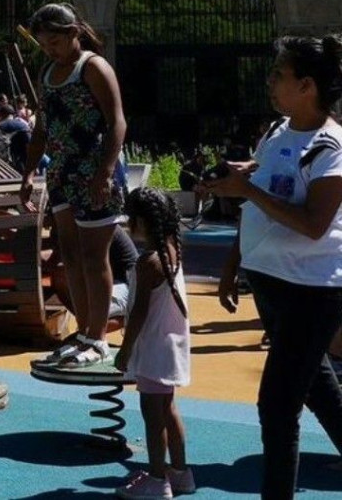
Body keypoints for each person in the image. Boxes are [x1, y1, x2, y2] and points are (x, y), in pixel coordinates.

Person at [202, 35, 342, 500]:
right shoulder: (279, 130)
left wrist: (248, 191)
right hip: (271, 282)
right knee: (318, 388)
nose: (270, 81)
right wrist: (232, 264)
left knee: (278, 406)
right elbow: (258, 185)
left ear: (307, 86)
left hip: (312, 290)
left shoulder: (332, 146)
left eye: (278, 74)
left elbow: (313, 224)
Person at [21, 3, 129, 367]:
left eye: (54, 41)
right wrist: (29, 172)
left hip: (94, 170)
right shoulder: (48, 72)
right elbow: (41, 128)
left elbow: (117, 122)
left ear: (73, 33)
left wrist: (105, 171)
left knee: (94, 256)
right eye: (43, 44)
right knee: (71, 257)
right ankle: (84, 333)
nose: (49, 49)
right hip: (62, 172)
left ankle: (98, 338)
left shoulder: (94, 67)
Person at [114, 188, 193, 499]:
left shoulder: (150, 261)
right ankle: (181, 472)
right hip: (171, 344)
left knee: (152, 415)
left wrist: (125, 350)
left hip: (154, 347)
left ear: (142, 221)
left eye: (131, 219)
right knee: (168, 408)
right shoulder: (172, 249)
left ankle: (158, 479)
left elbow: (139, 312)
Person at [0, 103, 31, 170]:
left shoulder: (0, 127)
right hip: (29, 158)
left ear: (1, 116)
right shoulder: (23, 124)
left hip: (14, 163)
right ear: (13, 114)